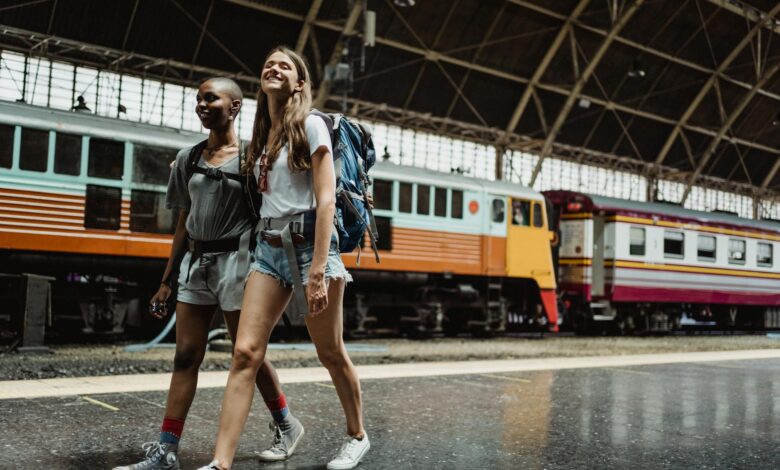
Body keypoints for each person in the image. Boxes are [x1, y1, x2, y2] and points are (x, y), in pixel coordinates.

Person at [113, 77, 303, 470]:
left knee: (245, 351)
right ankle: (166, 451)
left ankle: (286, 423)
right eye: (198, 99)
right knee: (185, 354)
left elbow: (278, 203)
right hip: (195, 265)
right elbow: (182, 222)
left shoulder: (254, 157)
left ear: (234, 107)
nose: (201, 104)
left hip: (239, 262)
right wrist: (167, 280)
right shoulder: (188, 158)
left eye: (210, 98)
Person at [198, 47, 369, 470]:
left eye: (285, 65)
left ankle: (357, 436)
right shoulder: (264, 135)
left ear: (299, 83)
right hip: (269, 249)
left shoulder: (311, 125)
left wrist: (316, 270)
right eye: (268, 64)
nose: (273, 68)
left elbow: (326, 199)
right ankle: (220, 463)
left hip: (313, 246)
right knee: (245, 353)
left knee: (329, 351)